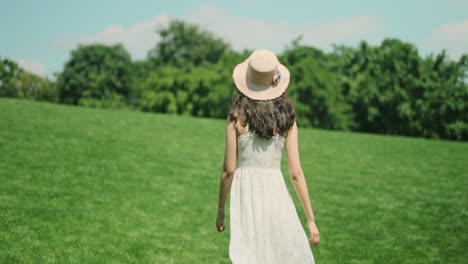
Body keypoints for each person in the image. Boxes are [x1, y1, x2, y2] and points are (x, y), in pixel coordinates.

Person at [216, 49, 320, 263]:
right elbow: (296, 174)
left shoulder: (235, 118)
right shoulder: (287, 120)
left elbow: (228, 171)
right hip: (276, 192)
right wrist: (310, 219)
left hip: (246, 194)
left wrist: (220, 210)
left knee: (250, 254)